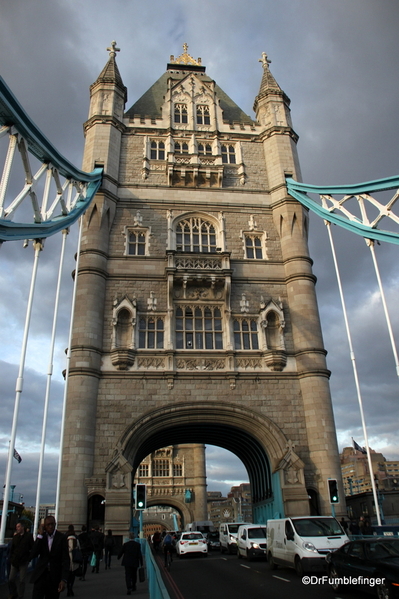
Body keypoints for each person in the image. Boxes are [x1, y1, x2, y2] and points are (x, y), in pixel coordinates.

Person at [29, 515, 69, 599]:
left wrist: (63, 579)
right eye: (48, 525)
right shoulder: (42, 537)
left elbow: (65, 559)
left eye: (52, 524)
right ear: (44, 526)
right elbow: (33, 554)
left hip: (54, 576)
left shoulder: (61, 538)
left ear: (55, 524)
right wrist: (39, 536)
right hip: (41, 575)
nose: (50, 526)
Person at [8, 521, 34, 599]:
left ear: (22, 527)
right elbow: (12, 548)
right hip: (15, 561)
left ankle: (20, 596)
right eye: (16, 527)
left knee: (22, 580)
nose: (17, 528)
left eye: (18, 526)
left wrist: (29, 558)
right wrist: (11, 558)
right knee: (11, 579)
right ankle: (14, 593)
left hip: (23, 561)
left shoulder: (29, 536)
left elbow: (32, 547)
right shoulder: (15, 537)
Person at [66, 525, 81, 597]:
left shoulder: (65, 538)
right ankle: (70, 587)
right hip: (74, 558)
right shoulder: (76, 538)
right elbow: (79, 547)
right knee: (73, 574)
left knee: (68, 574)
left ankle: (68, 587)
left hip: (67, 557)